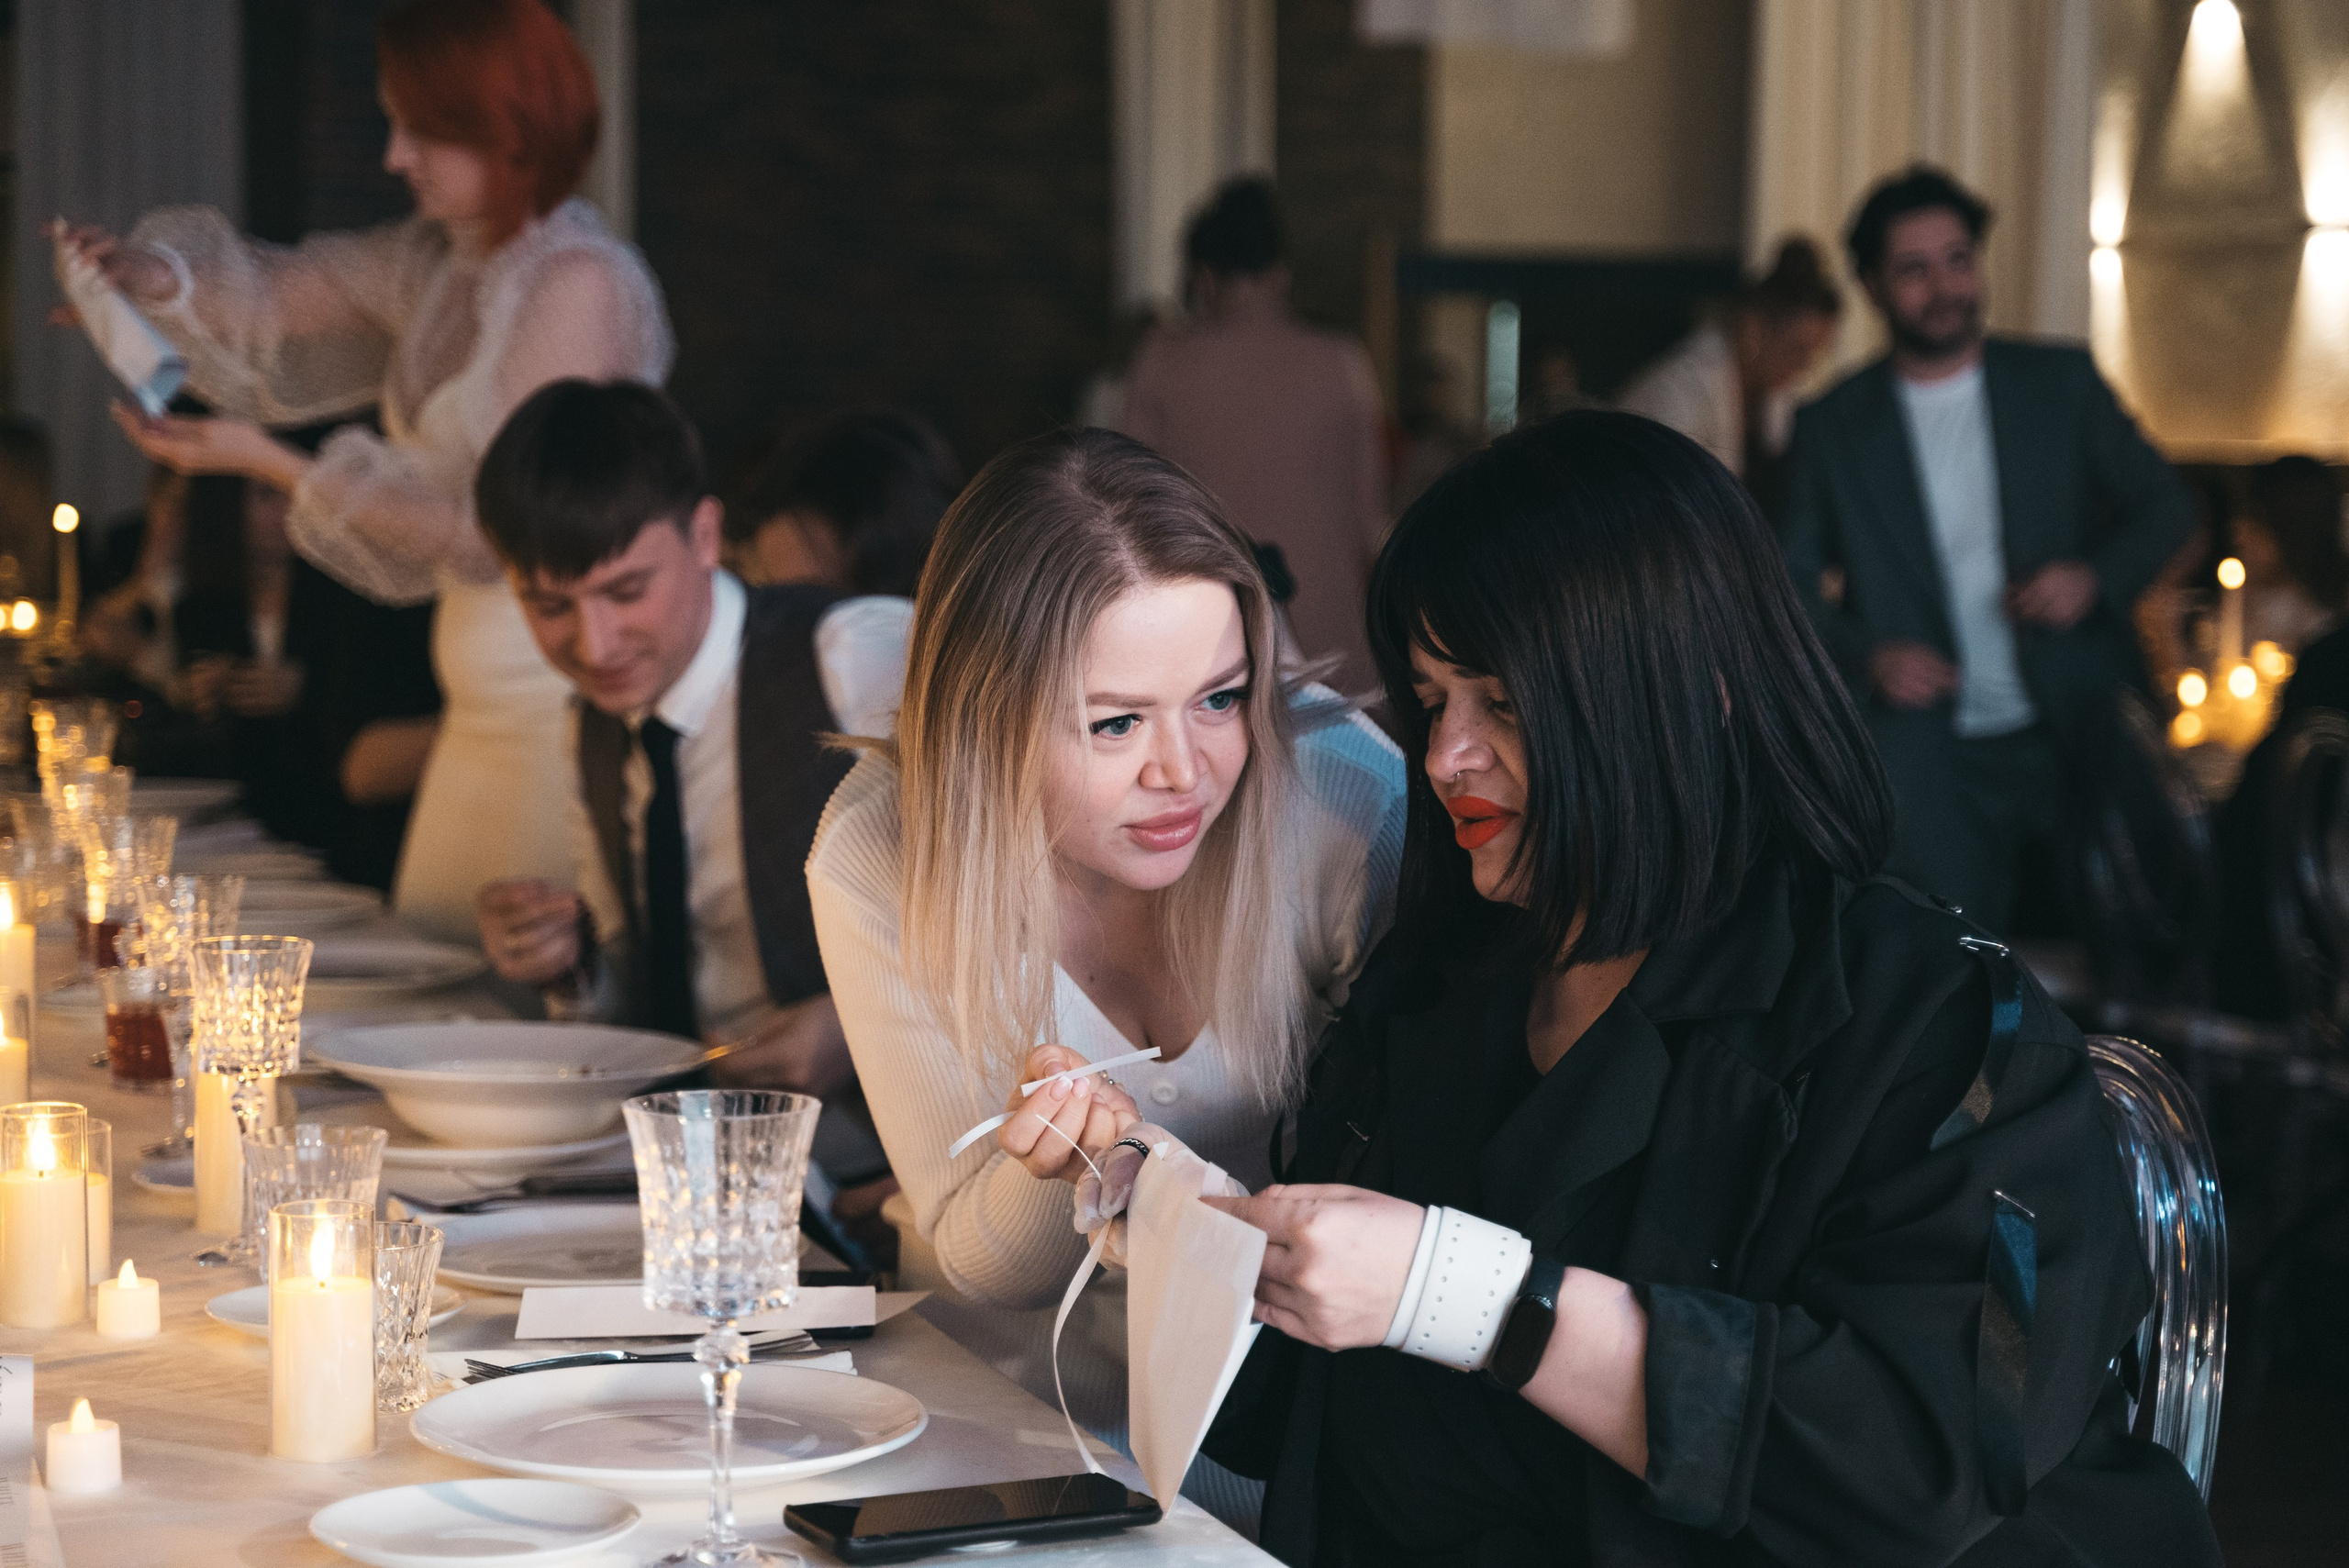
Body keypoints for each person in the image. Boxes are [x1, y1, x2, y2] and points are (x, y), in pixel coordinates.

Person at [1175, 409, 2220, 1567]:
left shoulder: (1937, 1024)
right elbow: (1307, 1412)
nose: (1442, 757)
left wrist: (1471, 1296)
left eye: (1502, 701)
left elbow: (1914, 1457)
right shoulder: (1438, 983)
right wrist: (1165, 1224)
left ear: (1697, 688)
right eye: (1431, 700)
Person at [807, 428, 1407, 1519]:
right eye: (1115, 721)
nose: (1184, 771)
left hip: (1288, 1445)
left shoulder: (1344, 801)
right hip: (1004, 1443)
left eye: (1220, 698)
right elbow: (979, 1265)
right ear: (987, 719)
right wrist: (1060, 1168)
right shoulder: (879, 851)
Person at [71, 0, 673, 940]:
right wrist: (143, 278)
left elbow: (500, 535)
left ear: (509, 131)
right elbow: (278, 294)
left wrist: (271, 464)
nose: (396, 157)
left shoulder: (576, 283)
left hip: (552, 701)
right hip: (470, 709)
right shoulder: (438, 262)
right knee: (439, 961)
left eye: (422, 131)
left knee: (517, 984)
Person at [471, 381, 923, 1198]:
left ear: (706, 535)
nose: (594, 644)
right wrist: (570, 967)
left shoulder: (853, 652)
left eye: (626, 591)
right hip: (693, 1174)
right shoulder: (594, 726)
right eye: (550, 606)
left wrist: (859, 1022)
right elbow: (635, 1010)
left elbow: (1035, 908)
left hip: (890, 1176)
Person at [1778, 166, 2193, 932]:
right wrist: (1869, 656)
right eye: (1915, 269)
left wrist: (2093, 579)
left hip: (2079, 720)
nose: (1945, 287)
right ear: (1871, 286)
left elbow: (2167, 506)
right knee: (1949, 958)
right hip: (1925, 754)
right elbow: (1783, 586)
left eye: (1958, 260)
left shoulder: (2062, 383)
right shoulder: (1831, 426)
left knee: (2130, 941)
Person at [1123, 178, 1387, 690]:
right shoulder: (1342, 362)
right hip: (1330, 643)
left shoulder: (1163, 364)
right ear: (1281, 273)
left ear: (1204, 278)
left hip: (1207, 645)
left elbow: (1128, 515)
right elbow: (1369, 519)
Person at [1618, 236, 1842, 494]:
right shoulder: (1682, 391)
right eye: (1796, 350)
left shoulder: (1775, 396)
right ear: (1753, 328)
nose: (1804, 366)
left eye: (1813, 355)